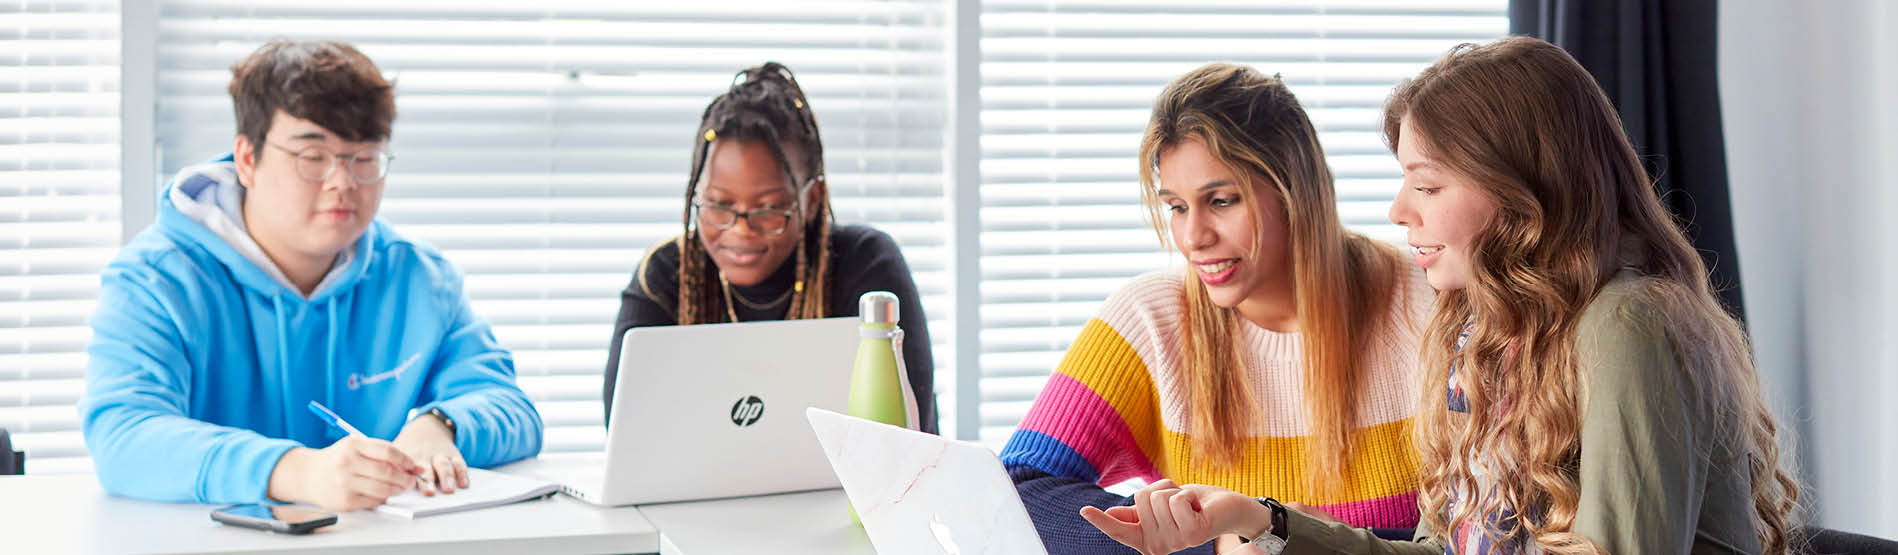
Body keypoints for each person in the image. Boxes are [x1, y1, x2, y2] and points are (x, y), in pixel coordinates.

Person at [1084, 36, 1802, 555]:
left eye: (1427, 185)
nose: (1399, 211)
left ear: (1523, 195)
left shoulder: (1626, 324)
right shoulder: (1480, 338)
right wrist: (1260, 519)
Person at [81, 39, 543, 512]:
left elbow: (510, 405)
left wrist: (441, 425)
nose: (343, 182)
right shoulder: (154, 280)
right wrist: (293, 471)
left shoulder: (420, 278)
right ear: (247, 159)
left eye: (364, 159)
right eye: (313, 157)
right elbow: (124, 434)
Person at [1000, 63, 1436, 554]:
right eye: (1177, 207)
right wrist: (1217, 544)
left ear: (1297, 191)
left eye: (1222, 200)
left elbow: (1475, 537)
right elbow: (1014, 491)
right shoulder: (1151, 320)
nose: (1193, 238)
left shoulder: (1428, 300)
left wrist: (1282, 533)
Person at [603, 62, 937, 433]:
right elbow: (624, 434)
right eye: (718, 205)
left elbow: (912, 440)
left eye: (768, 208)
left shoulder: (866, 264)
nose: (741, 231)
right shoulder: (665, 274)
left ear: (812, 200)